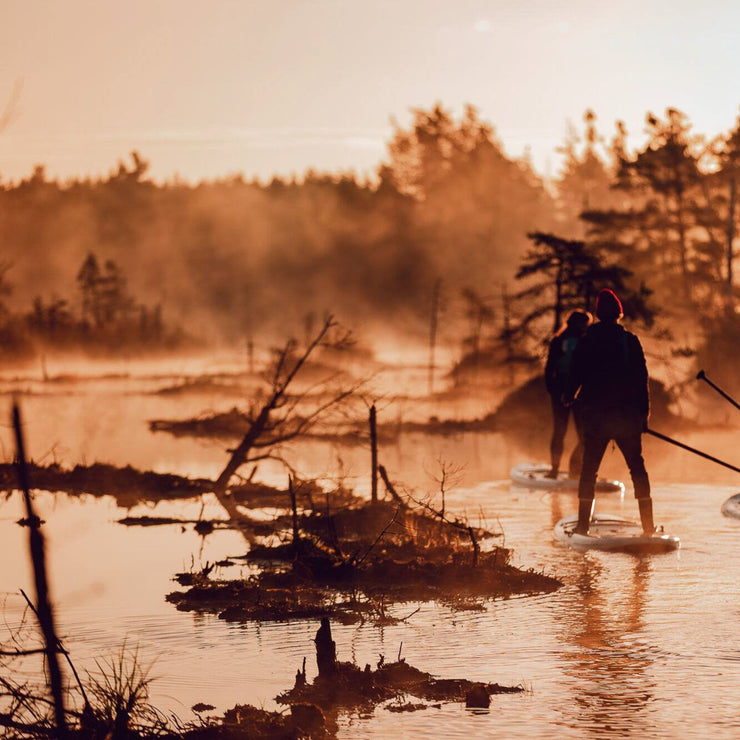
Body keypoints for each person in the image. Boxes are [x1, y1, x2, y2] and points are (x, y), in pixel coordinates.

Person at [565, 288, 654, 535]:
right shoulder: (630, 341)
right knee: (638, 469)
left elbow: (576, 374)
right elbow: (641, 380)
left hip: (596, 419)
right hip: (627, 418)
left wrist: (567, 396)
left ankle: (583, 527)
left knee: (589, 470)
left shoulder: (587, 340)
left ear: (598, 313)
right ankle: (648, 528)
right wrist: (643, 416)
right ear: (619, 314)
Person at [544, 310, 592, 479]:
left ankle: (567, 469)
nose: (585, 327)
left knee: (574, 433)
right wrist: (554, 390)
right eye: (584, 324)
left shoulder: (564, 341)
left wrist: (553, 390)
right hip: (566, 393)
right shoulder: (562, 341)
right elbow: (550, 368)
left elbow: (549, 369)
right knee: (565, 432)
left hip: (571, 394)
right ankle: (560, 469)